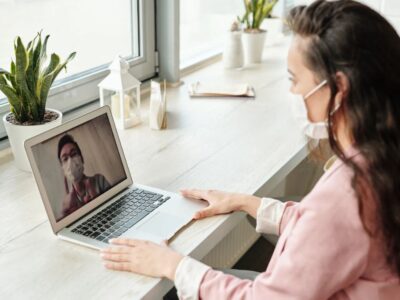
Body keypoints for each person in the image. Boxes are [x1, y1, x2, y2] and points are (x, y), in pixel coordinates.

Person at [100, 1, 400, 299]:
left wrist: (172, 266)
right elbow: (329, 233)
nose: (292, 93)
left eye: (295, 80)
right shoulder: (381, 156)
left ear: (339, 88)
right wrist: (247, 202)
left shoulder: (347, 193)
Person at [58, 134, 111, 218]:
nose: (70, 161)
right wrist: (66, 216)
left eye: (74, 154)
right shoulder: (68, 203)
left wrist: (97, 201)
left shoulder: (99, 180)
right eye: (65, 159)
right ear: (63, 168)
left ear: (81, 158)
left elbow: (115, 209)